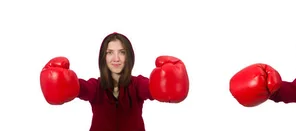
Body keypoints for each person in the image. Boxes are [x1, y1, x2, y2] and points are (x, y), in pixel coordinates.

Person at [40, 32, 190, 131]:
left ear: (129, 56)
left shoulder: (137, 84)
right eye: (110, 53)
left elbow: (151, 89)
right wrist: (62, 83)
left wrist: (168, 82)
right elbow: (81, 88)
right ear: (103, 57)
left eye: (122, 52)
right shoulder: (96, 87)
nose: (116, 59)